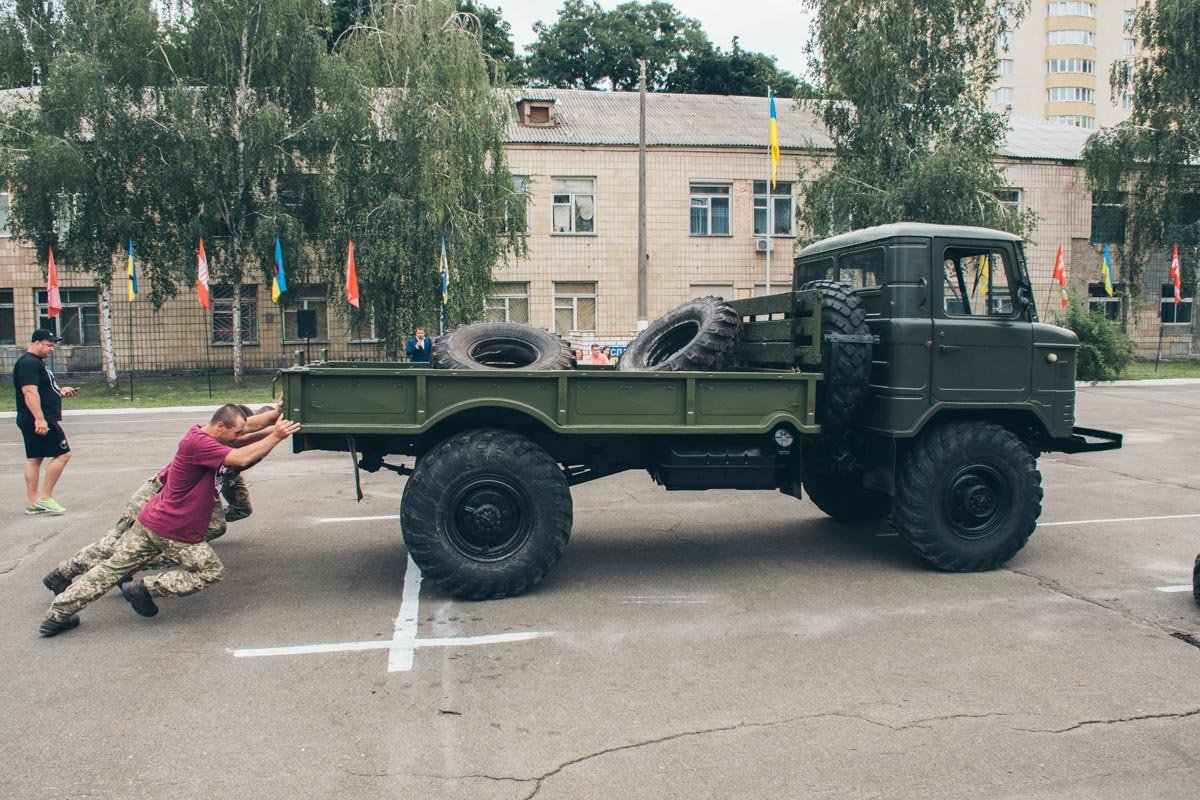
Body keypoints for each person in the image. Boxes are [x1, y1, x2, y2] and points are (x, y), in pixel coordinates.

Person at [38, 404, 300, 637]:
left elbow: (245, 434)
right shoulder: (200, 444)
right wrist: (277, 435)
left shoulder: (202, 434)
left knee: (108, 570)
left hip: (152, 521)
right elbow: (241, 456)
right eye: (236, 434)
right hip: (175, 527)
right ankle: (145, 587)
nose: (239, 438)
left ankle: (57, 615)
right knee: (210, 571)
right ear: (220, 426)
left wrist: (274, 421)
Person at [14, 328, 78, 515]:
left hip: (34, 418)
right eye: (49, 345)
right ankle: (45, 497)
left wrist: (59, 392)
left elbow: (41, 389)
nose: (52, 349)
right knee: (63, 454)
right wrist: (40, 419)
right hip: (41, 419)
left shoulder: (35, 363)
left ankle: (33, 503)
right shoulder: (28, 364)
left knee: (35, 458)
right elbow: (29, 392)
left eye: (53, 346)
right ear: (36, 343)